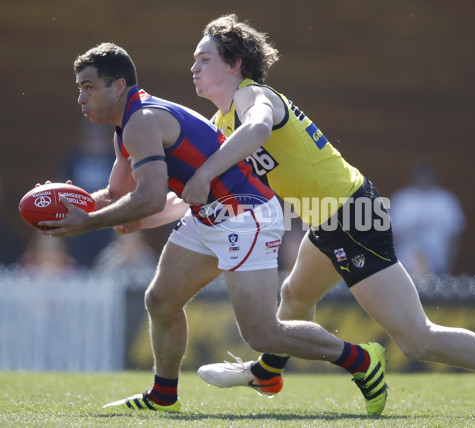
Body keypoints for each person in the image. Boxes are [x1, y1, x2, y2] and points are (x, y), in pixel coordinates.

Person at [183, 14, 475, 417]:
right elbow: (204, 188)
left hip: (351, 214)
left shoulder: (253, 97)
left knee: (416, 339)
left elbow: (260, 129)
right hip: (330, 214)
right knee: (295, 295)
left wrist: (206, 171)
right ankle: (268, 373)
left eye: (204, 59)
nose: (193, 67)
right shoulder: (223, 121)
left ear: (234, 65)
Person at [40, 42, 387, 415]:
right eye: (80, 88)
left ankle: (361, 360)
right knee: (160, 299)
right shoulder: (127, 127)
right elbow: (116, 194)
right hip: (210, 216)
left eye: (89, 87)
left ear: (118, 86)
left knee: (262, 334)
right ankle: (163, 396)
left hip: (246, 215)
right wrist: (66, 205)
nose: (81, 97)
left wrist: (88, 222)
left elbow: (152, 199)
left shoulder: (141, 121)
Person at [389, 161, 465, 277]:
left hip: (438, 268)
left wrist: (450, 269)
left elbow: (454, 238)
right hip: (404, 268)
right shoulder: (402, 199)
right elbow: (390, 237)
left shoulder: (445, 200)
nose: (423, 179)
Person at [57, 120, 116, 268]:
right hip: (79, 220)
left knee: (107, 261)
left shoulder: (114, 160)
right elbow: (60, 188)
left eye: (98, 137)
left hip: (107, 220)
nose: (94, 141)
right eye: (91, 137)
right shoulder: (72, 159)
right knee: (80, 261)